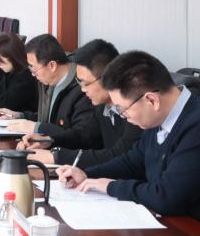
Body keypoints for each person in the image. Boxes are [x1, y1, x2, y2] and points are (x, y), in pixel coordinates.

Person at [56, 50, 200, 223]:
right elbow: (132, 162)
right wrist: (87, 175)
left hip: (197, 230)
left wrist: (109, 186)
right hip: (166, 221)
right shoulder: (159, 117)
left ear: (152, 100)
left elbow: (167, 197)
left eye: (122, 109)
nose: (123, 116)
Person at [22, 39, 142, 167]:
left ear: (108, 78)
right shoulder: (102, 107)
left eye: (86, 83)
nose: (83, 89)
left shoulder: (135, 110)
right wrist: (49, 140)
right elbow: (84, 136)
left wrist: (56, 157)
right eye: (80, 82)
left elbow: (118, 155)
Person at [0, 34, 98, 150]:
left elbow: (81, 137)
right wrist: (20, 116)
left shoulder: (83, 89)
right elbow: (48, 119)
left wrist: (37, 127)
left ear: (52, 65)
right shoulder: (51, 82)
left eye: (33, 68)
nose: (32, 74)